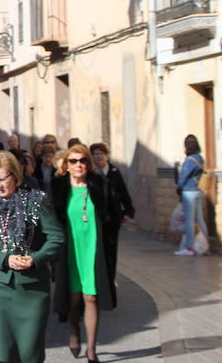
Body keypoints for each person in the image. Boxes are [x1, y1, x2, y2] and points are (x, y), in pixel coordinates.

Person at [0, 151, 64, 363]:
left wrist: (36, 258)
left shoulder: (37, 200)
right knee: (1, 354)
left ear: (15, 175)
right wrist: (5, 260)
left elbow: (56, 238)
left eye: (3, 179)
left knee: (29, 354)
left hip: (31, 288)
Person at [51, 145, 113, 363]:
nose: (79, 165)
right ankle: (74, 330)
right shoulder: (59, 188)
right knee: (74, 298)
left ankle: (91, 350)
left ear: (89, 164)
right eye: (74, 161)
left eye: (83, 161)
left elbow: (109, 218)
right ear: (66, 165)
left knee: (91, 297)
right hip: (70, 249)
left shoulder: (97, 186)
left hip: (93, 249)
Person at [90, 142, 135, 288]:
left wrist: (128, 211)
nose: (99, 156)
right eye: (95, 154)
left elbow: (123, 191)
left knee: (111, 247)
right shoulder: (90, 173)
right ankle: (98, 276)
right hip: (96, 216)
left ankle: (111, 276)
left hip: (113, 216)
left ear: (106, 155)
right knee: (97, 248)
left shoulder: (114, 171)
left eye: (101, 153)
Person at [175, 134, 209, 256]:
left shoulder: (189, 160)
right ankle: (205, 246)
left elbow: (183, 177)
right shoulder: (199, 158)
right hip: (197, 191)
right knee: (200, 220)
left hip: (188, 192)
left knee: (189, 221)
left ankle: (189, 248)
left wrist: (179, 188)